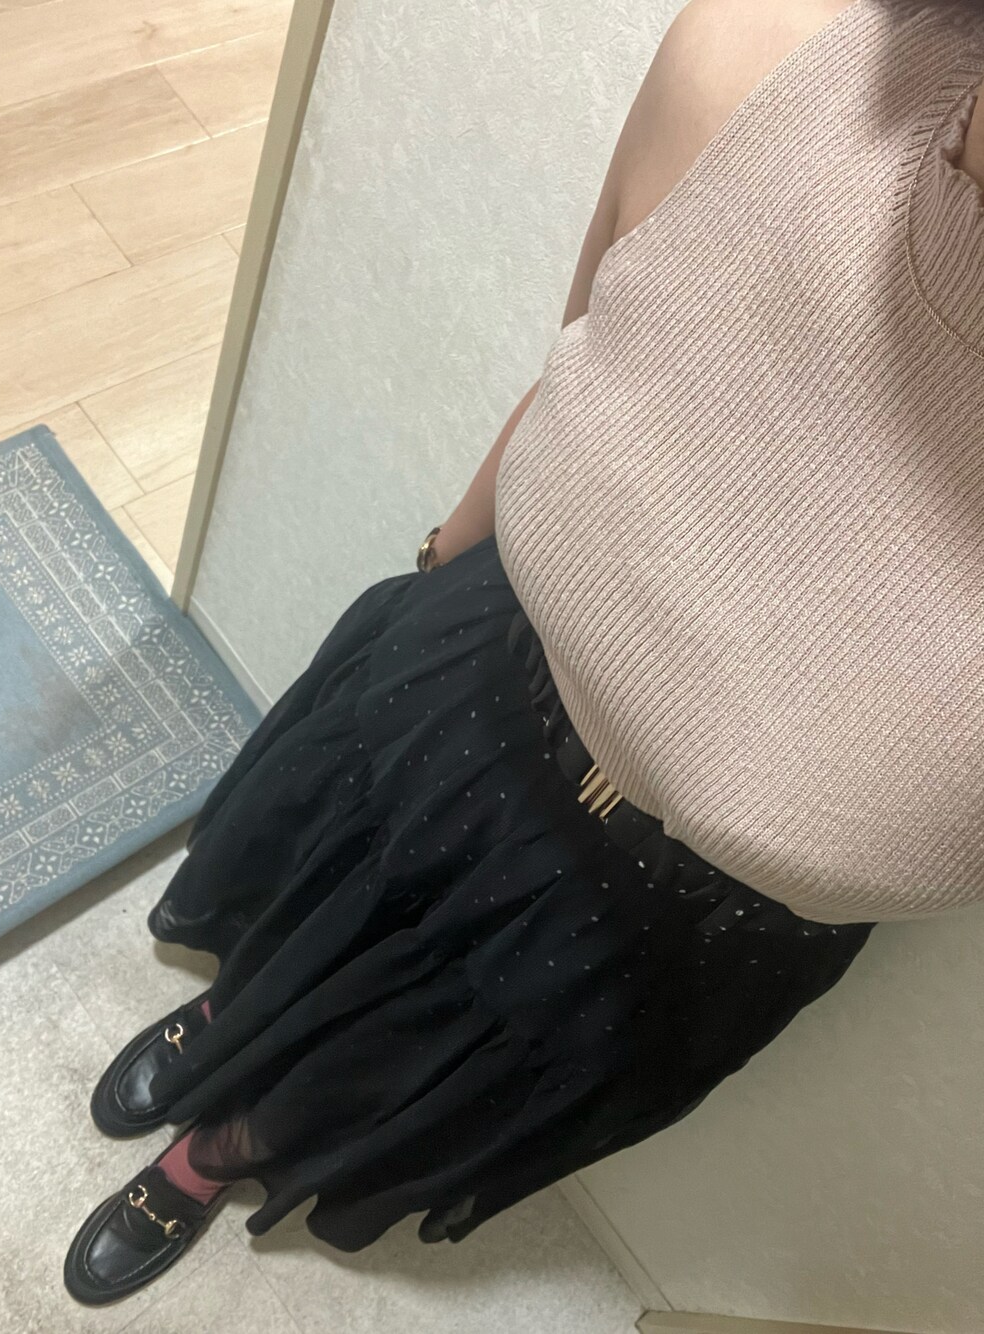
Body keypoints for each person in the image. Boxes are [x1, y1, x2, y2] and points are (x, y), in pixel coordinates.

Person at [64, 0, 984, 1306]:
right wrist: (439, 555)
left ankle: (215, 1151)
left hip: (680, 930)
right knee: (307, 890)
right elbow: (581, 352)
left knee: (396, 1063)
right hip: (476, 691)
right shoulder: (772, 43)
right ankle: (227, 1021)